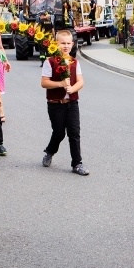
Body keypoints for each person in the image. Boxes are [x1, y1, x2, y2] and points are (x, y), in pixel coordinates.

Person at [40, 29, 88, 176]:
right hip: (55, 104)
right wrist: (61, 84)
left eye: (68, 43)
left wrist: (73, 88)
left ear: (72, 44)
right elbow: (44, 83)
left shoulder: (75, 62)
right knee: (59, 132)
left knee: (74, 133)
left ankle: (77, 163)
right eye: (62, 43)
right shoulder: (50, 62)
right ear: (56, 43)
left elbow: (81, 81)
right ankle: (49, 151)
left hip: (72, 103)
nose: (65, 46)